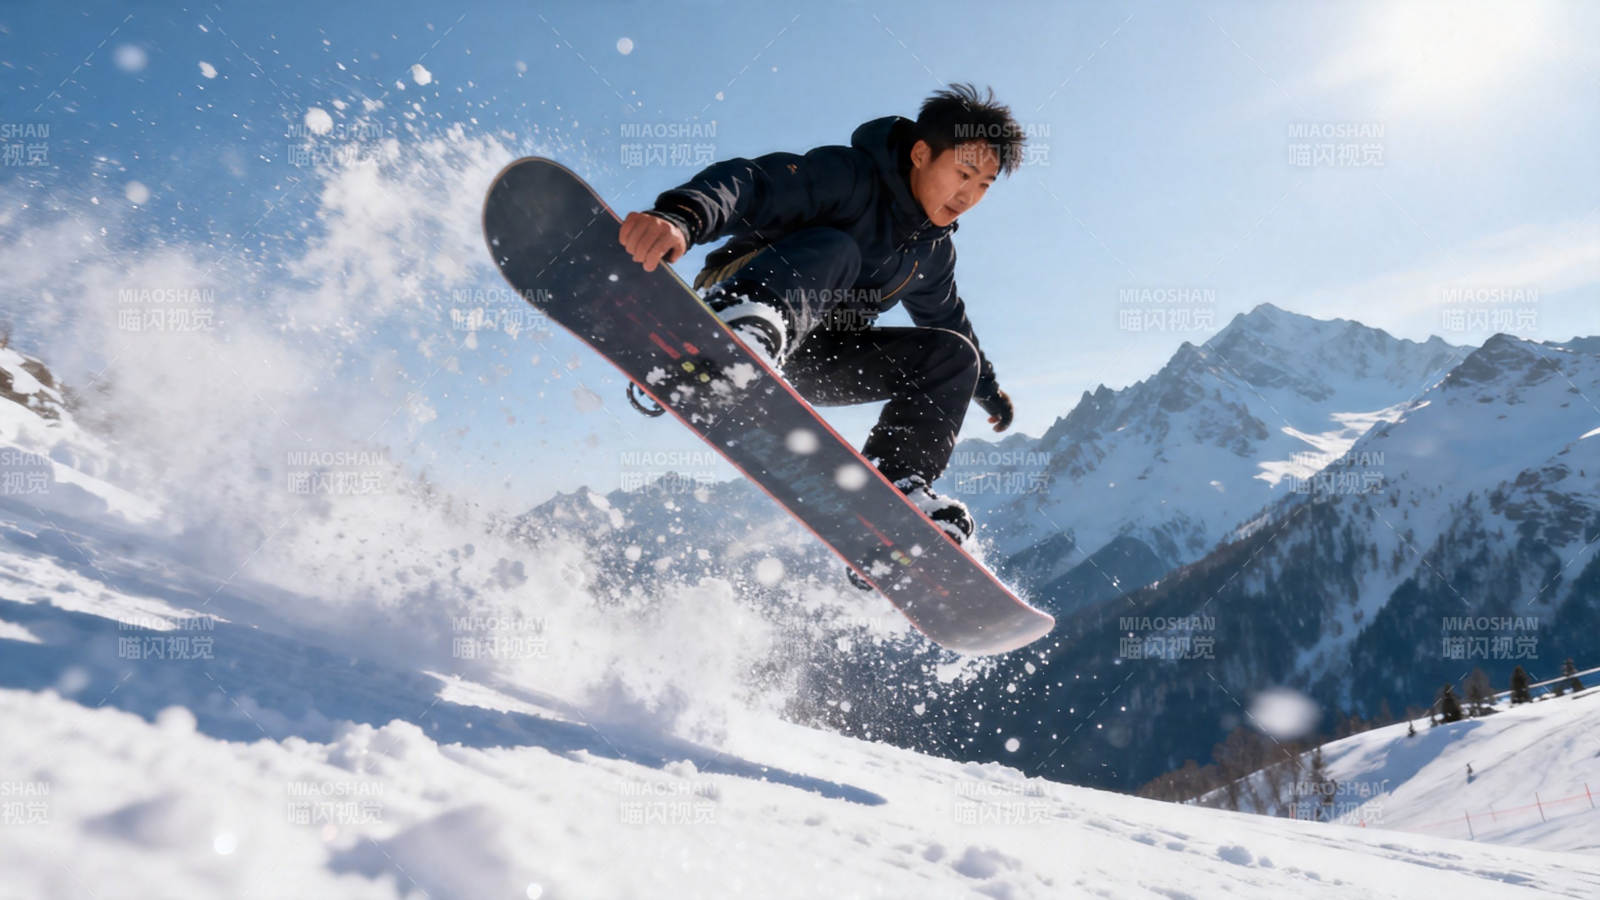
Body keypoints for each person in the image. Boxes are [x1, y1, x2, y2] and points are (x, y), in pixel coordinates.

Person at [616, 83, 1023, 545]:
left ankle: (897, 492)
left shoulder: (932, 254)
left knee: (953, 356)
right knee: (838, 248)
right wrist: (684, 217)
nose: (969, 194)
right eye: (963, 173)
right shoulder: (849, 176)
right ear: (921, 153)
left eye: (984, 185)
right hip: (748, 294)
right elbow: (753, 184)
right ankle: (739, 337)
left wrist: (987, 391)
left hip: (811, 358)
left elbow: (949, 317)